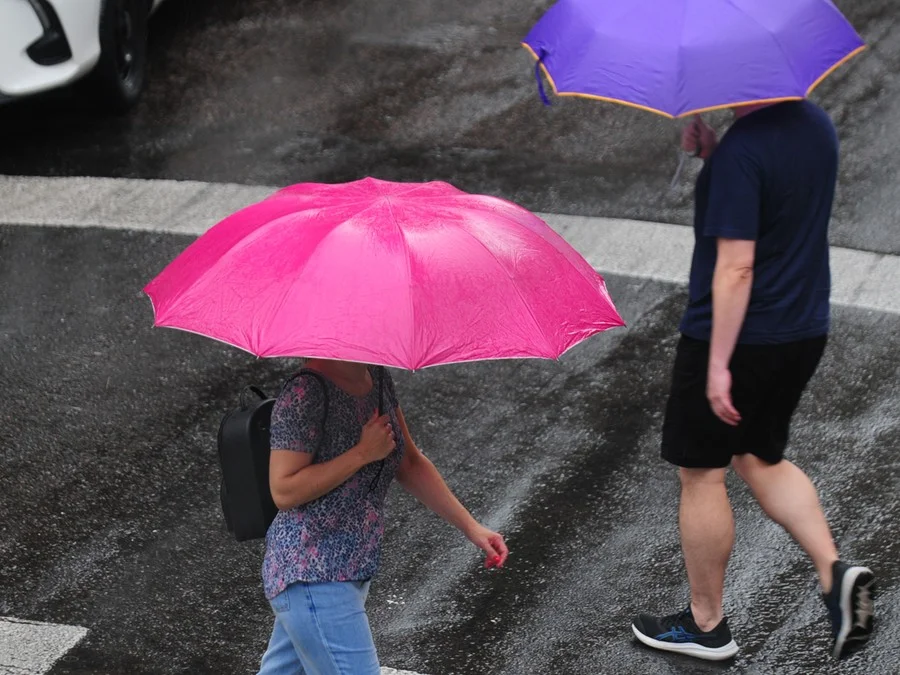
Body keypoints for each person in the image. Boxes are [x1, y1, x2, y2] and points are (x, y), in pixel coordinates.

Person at [632, 101, 875, 662]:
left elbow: (737, 267)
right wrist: (714, 157)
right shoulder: (815, 123)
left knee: (701, 472)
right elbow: (779, 201)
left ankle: (706, 625)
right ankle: (834, 572)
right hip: (802, 326)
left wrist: (718, 364)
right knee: (757, 456)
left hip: (740, 336)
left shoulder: (746, 150)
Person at [257, 359, 508, 674]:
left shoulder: (376, 378)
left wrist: (472, 527)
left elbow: (410, 463)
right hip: (312, 574)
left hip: (345, 572)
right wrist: (362, 453)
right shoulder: (305, 391)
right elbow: (284, 490)